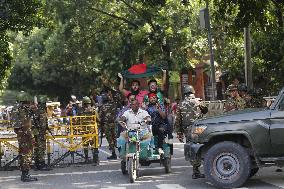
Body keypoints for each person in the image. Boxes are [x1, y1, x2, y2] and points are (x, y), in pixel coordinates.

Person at [174, 85, 208, 179]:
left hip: (187, 130)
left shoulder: (180, 104)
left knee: (191, 148)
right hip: (198, 129)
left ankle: (195, 170)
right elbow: (206, 111)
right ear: (192, 92)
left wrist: (179, 133)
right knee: (201, 147)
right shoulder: (198, 101)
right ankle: (201, 169)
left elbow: (178, 121)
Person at [10, 92, 38, 182]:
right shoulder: (22, 109)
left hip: (20, 132)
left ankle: (24, 174)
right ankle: (25, 175)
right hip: (25, 133)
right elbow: (26, 124)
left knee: (23, 153)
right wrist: (32, 136)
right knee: (27, 153)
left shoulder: (16, 107)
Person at [31, 96, 51, 171]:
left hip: (35, 131)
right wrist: (45, 129)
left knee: (36, 148)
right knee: (41, 148)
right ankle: (41, 164)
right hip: (40, 132)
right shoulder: (41, 110)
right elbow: (42, 124)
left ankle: (36, 164)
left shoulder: (34, 110)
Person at [98, 90, 118, 160]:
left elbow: (99, 117)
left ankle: (113, 153)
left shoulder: (102, 106)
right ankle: (121, 152)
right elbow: (116, 112)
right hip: (113, 123)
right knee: (115, 138)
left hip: (106, 125)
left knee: (110, 140)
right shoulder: (113, 104)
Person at [78, 96, 99, 163]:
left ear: (83, 103)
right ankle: (95, 158)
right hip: (92, 130)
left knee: (85, 144)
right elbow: (98, 119)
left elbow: (77, 120)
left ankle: (86, 158)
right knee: (94, 144)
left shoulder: (80, 110)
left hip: (84, 130)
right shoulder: (93, 110)